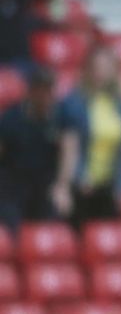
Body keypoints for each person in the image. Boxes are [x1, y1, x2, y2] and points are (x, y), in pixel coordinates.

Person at [60, 45, 121, 227]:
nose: (100, 73)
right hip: (81, 186)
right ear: (87, 70)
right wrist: (80, 175)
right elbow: (70, 144)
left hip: (109, 186)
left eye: (106, 68)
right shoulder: (74, 102)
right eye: (96, 67)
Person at [0, 67, 76, 231]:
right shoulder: (11, 118)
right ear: (30, 91)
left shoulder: (61, 116)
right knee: (11, 228)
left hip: (46, 187)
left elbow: (69, 150)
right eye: (40, 89)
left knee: (53, 224)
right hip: (14, 186)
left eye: (48, 90)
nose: (44, 96)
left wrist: (63, 186)